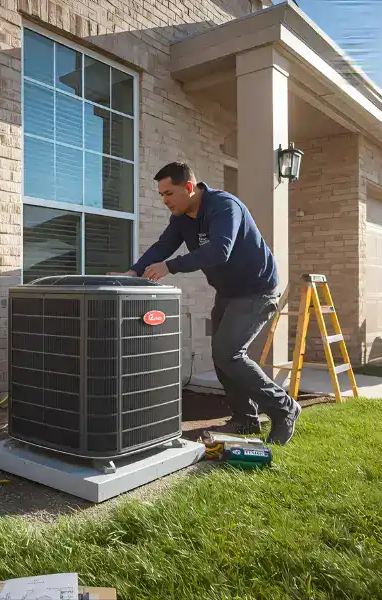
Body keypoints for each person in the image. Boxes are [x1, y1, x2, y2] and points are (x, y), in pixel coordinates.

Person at [109, 162, 301, 444]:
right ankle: (246, 419)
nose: (165, 200)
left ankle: (283, 408)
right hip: (228, 291)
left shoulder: (224, 206)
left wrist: (170, 267)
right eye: (161, 194)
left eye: (169, 193)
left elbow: (220, 250)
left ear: (189, 187)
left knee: (229, 353)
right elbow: (162, 246)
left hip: (257, 289)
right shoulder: (181, 218)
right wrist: (134, 271)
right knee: (221, 358)